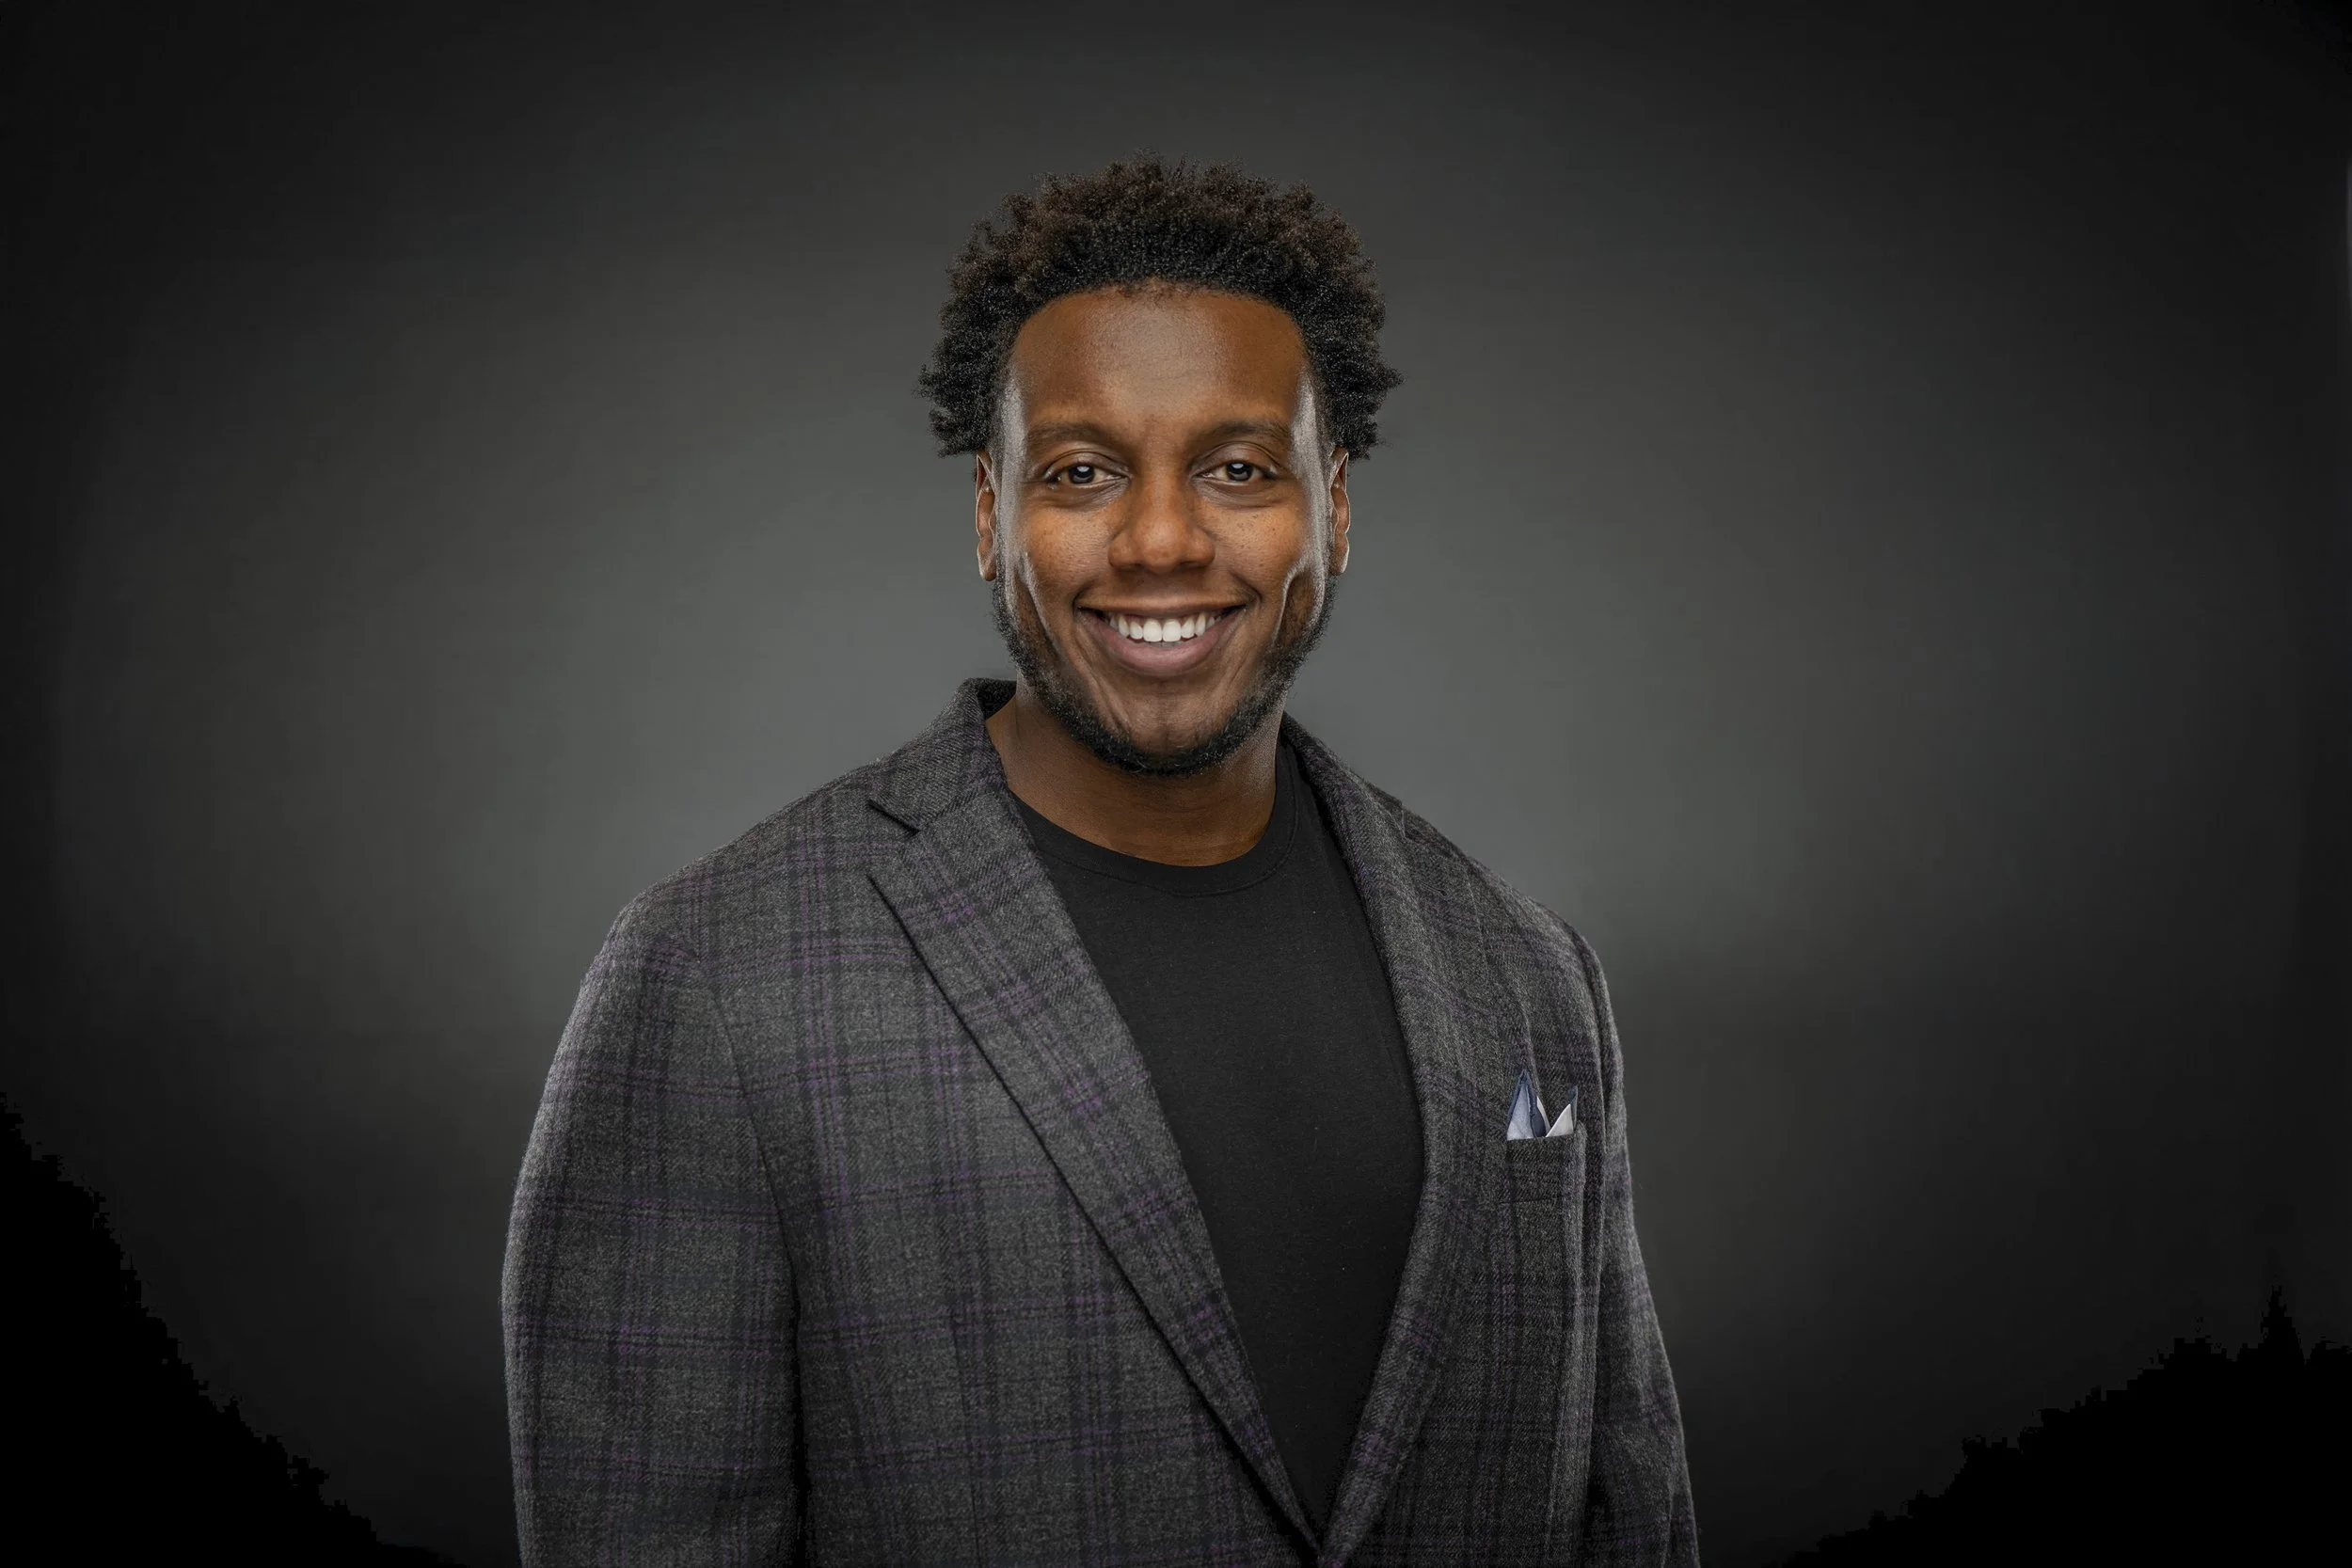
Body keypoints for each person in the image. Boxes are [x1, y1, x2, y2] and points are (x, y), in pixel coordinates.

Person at [502, 154, 1699, 1566]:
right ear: (989, 514)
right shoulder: (717, 982)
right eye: (1081, 473)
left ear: (1335, 508)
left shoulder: (1528, 978)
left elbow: (1630, 1520)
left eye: (1240, 469)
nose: (1161, 539)